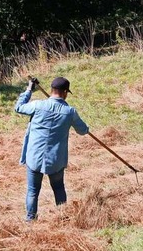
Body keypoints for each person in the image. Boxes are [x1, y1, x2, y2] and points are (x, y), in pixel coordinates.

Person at [15, 76, 90, 221]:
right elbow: (82, 130)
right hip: (55, 159)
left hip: (34, 157)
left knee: (32, 191)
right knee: (59, 188)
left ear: (52, 90)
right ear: (65, 92)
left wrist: (29, 89)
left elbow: (19, 107)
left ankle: (30, 221)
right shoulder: (70, 112)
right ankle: (63, 218)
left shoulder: (37, 106)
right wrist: (86, 129)